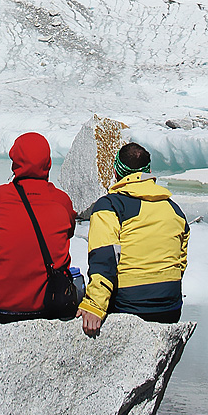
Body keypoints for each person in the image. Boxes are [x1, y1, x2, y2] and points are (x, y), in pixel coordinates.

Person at [0, 131, 76, 324]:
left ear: (15, 162)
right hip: (50, 305)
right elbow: (70, 232)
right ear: (48, 164)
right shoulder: (61, 200)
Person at [77, 141, 189, 335]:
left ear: (116, 172)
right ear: (149, 172)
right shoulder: (174, 210)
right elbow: (181, 262)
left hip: (129, 306)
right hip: (170, 308)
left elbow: (104, 258)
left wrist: (95, 305)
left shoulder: (110, 206)